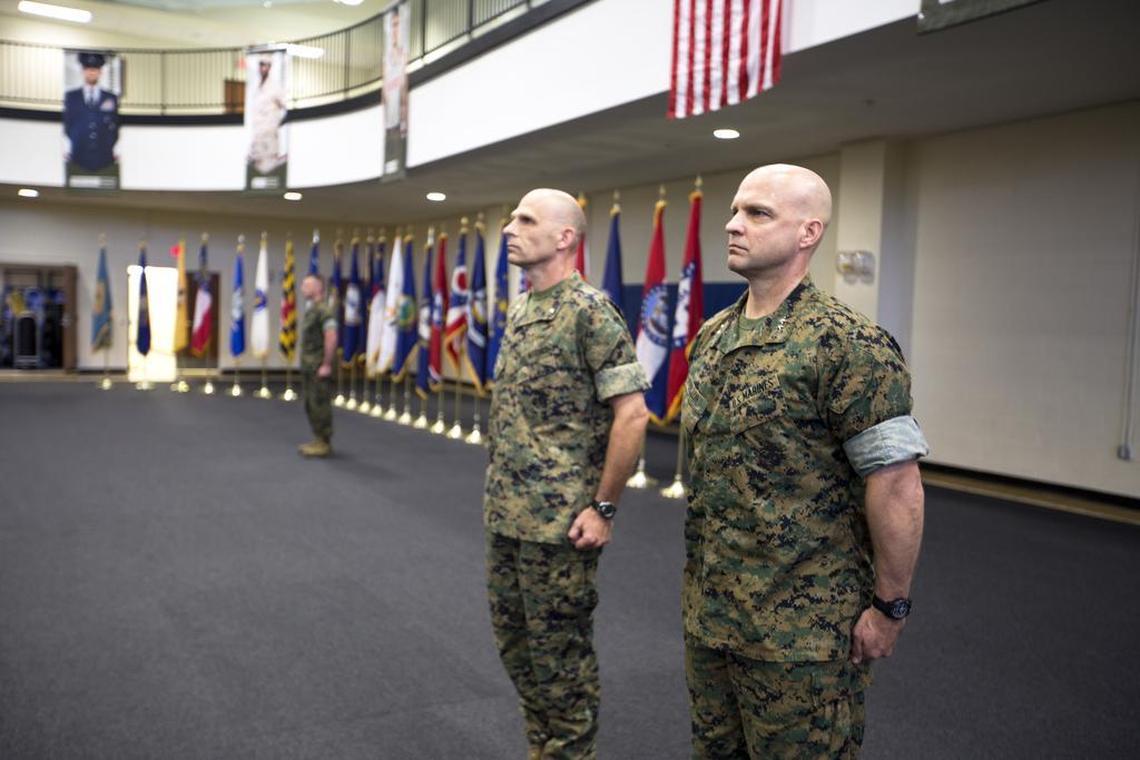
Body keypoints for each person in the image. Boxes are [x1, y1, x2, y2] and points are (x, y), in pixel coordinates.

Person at [681, 164, 929, 758]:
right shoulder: (712, 338)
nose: (733, 224)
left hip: (803, 640)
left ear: (808, 233)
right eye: (735, 210)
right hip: (712, 619)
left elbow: (896, 485)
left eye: (757, 214)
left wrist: (890, 607)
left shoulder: (849, 345)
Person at [485, 189, 649, 759]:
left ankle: (572, 752)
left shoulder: (590, 312)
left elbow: (631, 415)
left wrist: (603, 508)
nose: (510, 227)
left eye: (525, 219)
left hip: (562, 524)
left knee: (561, 659)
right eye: (512, 215)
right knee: (517, 648)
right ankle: (545, 748)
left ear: (564, 237)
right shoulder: (524, 307)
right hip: (508, 513)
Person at [298, 274, 338, 457]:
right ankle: (318, 438)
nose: (302, 288)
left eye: (306, 285)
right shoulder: (312, 309)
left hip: (318, 366)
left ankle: (324, 442)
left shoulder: (324, 311)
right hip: (309, 366)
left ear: (317, 287)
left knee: (320, 403)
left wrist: (327, 364)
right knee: (310, 404)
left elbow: (331, 337)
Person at [63, 52, 119, 172]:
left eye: (95, 69)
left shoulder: (110, 97)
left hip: (104, 158)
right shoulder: (71, 97)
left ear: (100, 72)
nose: (91, 72)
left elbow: (115, 126)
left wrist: (108, 144)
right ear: (83, 71)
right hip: (79, 157)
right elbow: (68, 125)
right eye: (88, 69)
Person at [248, 55, 287, 175]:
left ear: (270, 67)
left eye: (266, 65)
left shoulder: (275, 87)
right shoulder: (256, 86)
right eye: (261, 65)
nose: (263, 68)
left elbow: (285, 105)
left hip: (269, 133)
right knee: (258, 165)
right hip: (258, 133)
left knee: (269, 166)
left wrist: (277, 123)